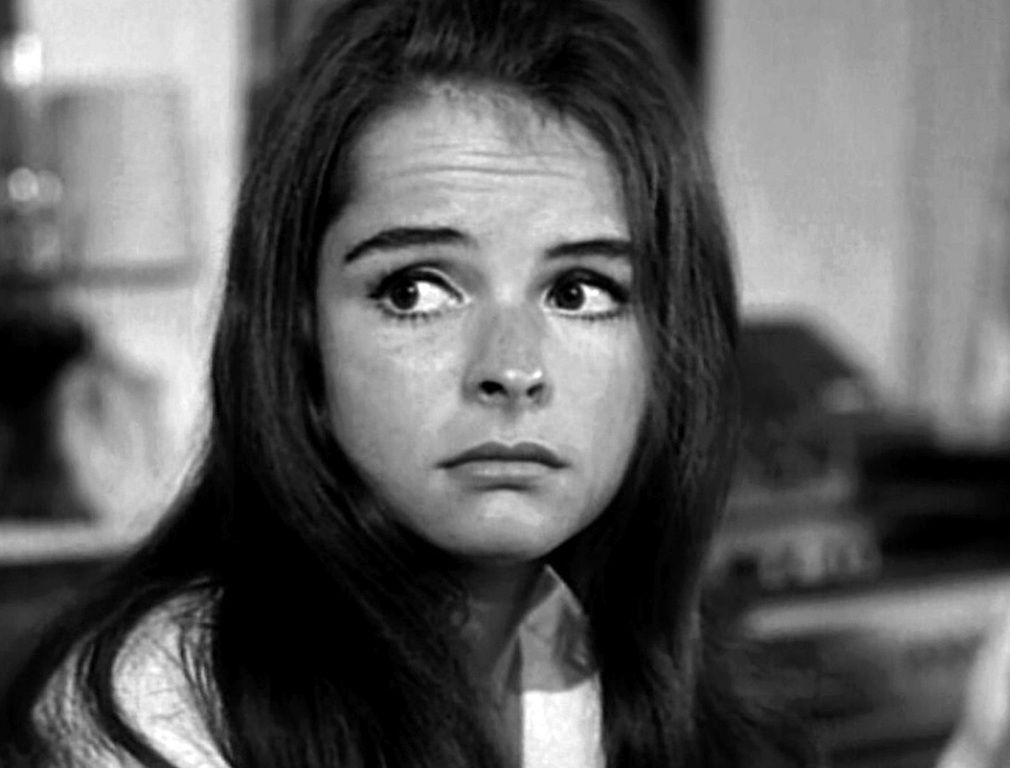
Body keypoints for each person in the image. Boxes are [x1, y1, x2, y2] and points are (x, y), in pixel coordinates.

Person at [0, 0, 808, 766]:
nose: (512, 369)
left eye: (579, 293)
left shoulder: (662, 694)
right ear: (299, 328)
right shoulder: (156, 706)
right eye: (416, 290)